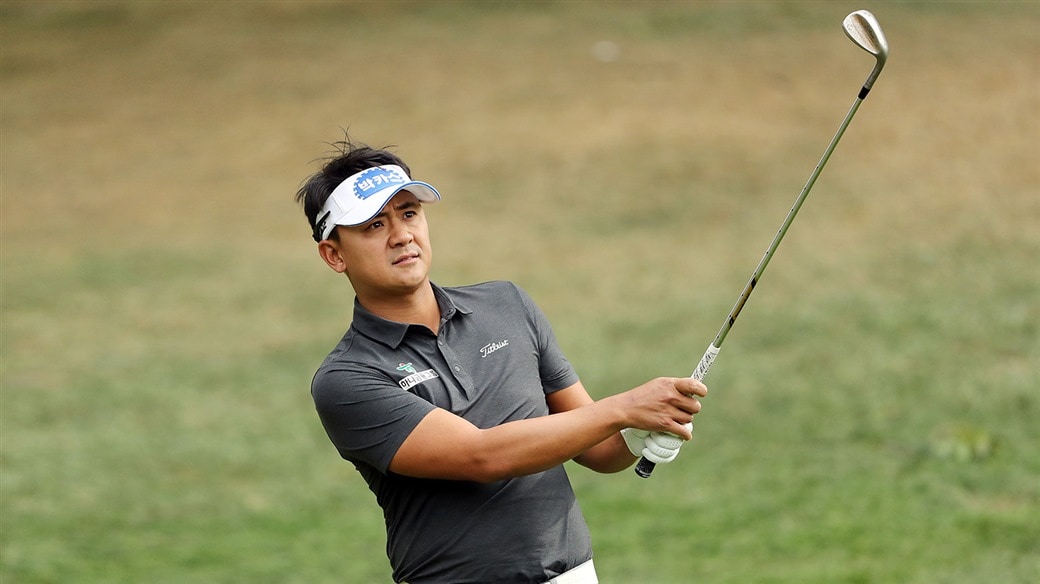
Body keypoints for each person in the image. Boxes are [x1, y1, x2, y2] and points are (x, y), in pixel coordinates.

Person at [294, 136, 707, 584]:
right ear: (334, 255)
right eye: (374, 225)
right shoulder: (347, 379)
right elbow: (481, 456)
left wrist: (635, 434)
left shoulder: (505, 304)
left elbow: (596, 448)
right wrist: (622, 409)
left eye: (409, 213)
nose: (402, 235)